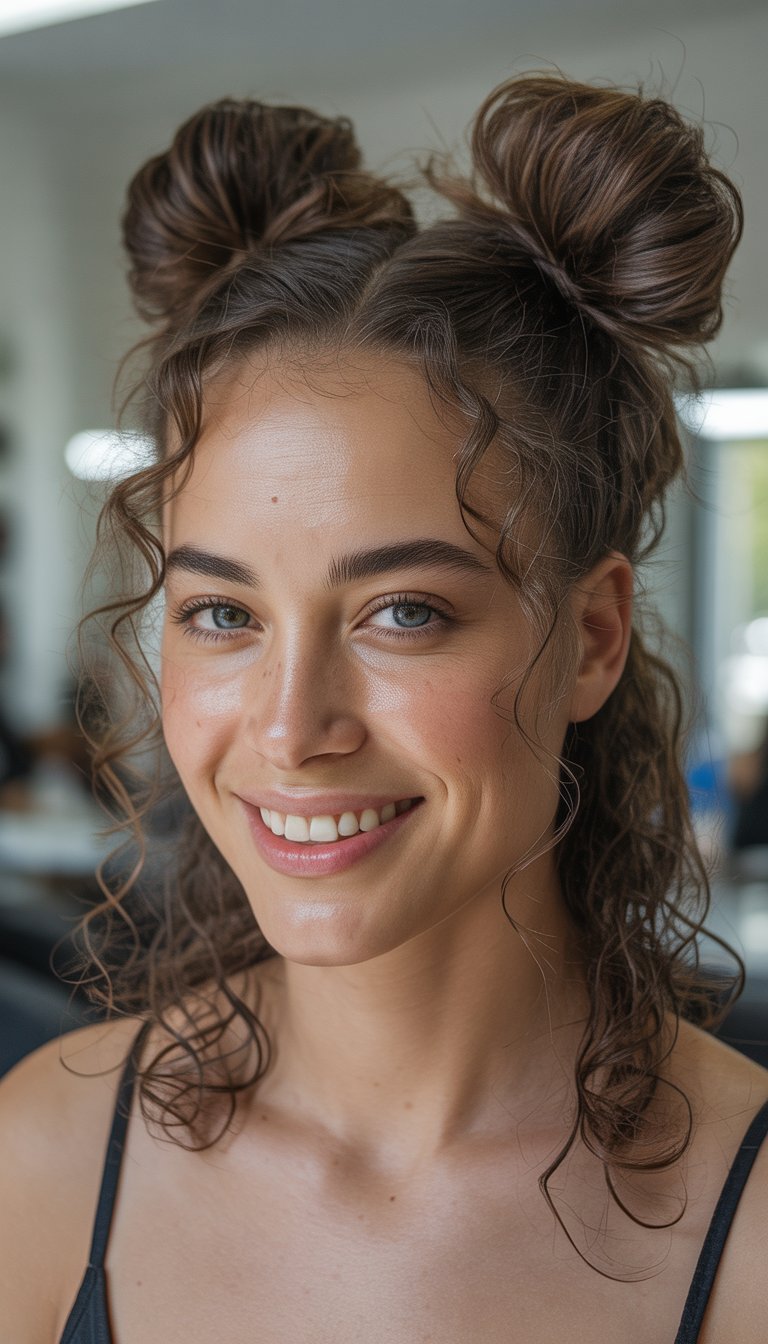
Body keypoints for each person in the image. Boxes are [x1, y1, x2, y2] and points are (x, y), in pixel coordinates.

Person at [1, 72, 766, 1344]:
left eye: (402, 612)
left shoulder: (748, 1241)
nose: (294, 728)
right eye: (224, 615)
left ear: (591, 638)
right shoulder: (43, 1161)